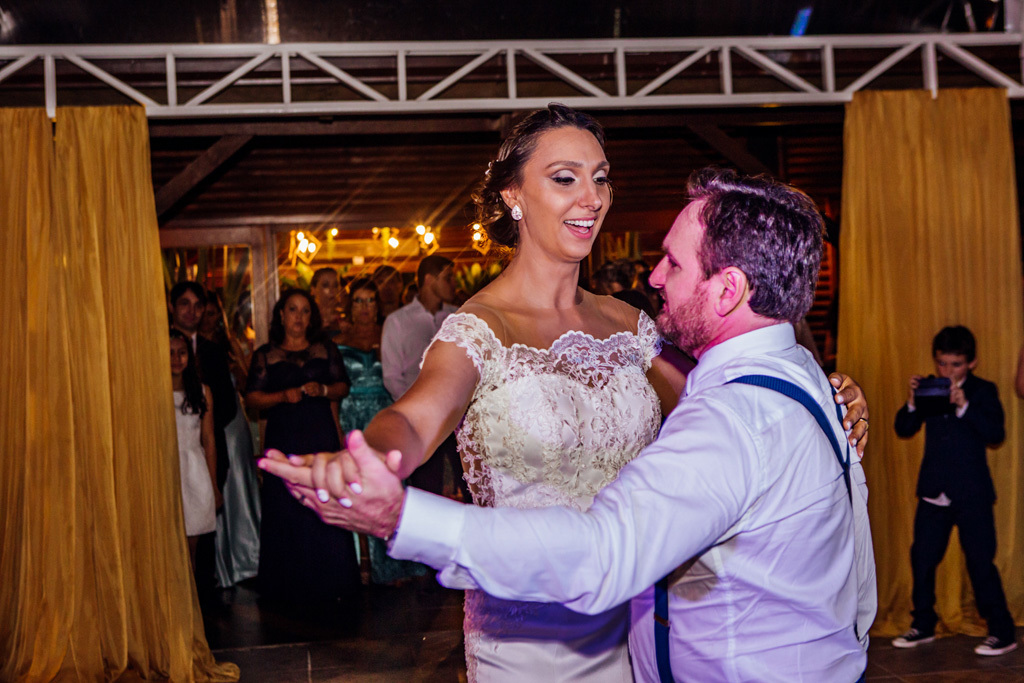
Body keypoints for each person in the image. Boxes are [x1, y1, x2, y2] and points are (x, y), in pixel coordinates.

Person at [262, 108, 870, 682]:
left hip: (636, 620)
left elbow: (731, 404)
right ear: (514, 196)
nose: (592, 198)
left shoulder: (632, 326)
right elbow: (413, 420)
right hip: (529, 635)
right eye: (565, 178)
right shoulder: (479, 328)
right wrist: (372, 458)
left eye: (600, 179)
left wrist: (828, 401)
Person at [892, 326, 1015, 655]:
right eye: (942, 363)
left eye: (956, 364)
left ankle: (1002, 631)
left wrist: (964, 406)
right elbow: (903, 428)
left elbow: (996, 434)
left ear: (972, 362)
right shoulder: (930, 387)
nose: (947, 371)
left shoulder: (983, 391)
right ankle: (923, 625)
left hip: (972, 493)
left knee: (980, 563)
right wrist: (912, 402)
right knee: (922, 559)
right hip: (934, 490)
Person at [244, 288, 359, 606]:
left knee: (324, 499)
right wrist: (282, 396)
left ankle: (332, 580)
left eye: (305, 311)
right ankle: (287, 586)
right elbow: (251, 398)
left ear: (312, 317)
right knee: (286, 505)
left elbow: (343, 386)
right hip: (285, 439)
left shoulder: (325, 349)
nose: (299, 316)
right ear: (281, 315)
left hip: (319, 436)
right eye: (293, 310)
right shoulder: (265, 354)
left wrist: (323, 389)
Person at [335, 277, 427, 585]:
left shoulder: (390, 333)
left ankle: (398, 563)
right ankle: (365, 563)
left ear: (378, 305)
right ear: (350, 306)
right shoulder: (336, 339)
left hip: (385, 414)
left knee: (392, 484)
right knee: (358, 487)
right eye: (358, 301)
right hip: (352, 417)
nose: (364, 307)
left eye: (370, 300)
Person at [169, 281, 237, 595]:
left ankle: (202, 597)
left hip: (198, 460)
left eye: (198, 306)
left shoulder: (213, 352)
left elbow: (225, 409)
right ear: (172, 307)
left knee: (199, 535)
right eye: (185, 303)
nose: (192, 312)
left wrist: (211, 479)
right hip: (169, 465)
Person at [380, 254, 466, 499]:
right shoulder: (397, 321)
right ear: (429, 280)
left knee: (472, 489)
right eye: (448, 278)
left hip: (459, 421)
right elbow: (392, 376)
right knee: (427, 492)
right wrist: (417, 412)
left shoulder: (458, 317)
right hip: (421, 424)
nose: (454, 284)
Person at [169, 329, 219, 572]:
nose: (176, 359)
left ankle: (190, 593)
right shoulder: (152, 393)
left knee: (191, 547)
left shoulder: (201, 391)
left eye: (182, 353)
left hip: (193, 471)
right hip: (167, 470)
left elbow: (208, 439)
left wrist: (213, 483)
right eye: (170, 353)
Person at [310, 267, 344, 339]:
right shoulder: (308, 319)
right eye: (325, 285)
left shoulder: (346, 317)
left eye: (335, 285)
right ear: (313, 290)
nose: (332, 290)